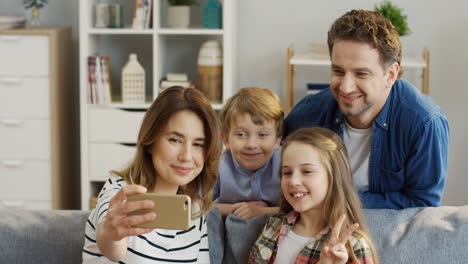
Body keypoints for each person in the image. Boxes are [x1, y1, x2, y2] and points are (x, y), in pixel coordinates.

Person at [284, 9, 449, 209]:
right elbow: (276, 178)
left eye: (361, 74)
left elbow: (423, 204)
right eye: (338, 71)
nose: (346, 87)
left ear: (390, 75)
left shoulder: (424, 122)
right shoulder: (307, 115)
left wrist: (338, 201)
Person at [82, 87, 221, 263]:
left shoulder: (194, 212)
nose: (186, 156)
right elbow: (111, 246)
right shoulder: (118, 191)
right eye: (174, 140)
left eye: (198, 144)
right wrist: (110, 233)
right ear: (150, 141)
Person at [249, 127, 378, 264]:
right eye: (287, 172)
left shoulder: (353, 246)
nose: (293, 181)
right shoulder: (274, 225)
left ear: (334, 177)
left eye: (307, 171)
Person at [212, 87, 283, 219]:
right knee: (212, 217)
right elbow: (195, 205)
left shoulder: (286, 164)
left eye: (262, 134)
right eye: (241, 134)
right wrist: (233, 209)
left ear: (277, 140)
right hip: (229, 228)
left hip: (275, 230)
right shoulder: (218, 166)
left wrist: (260, 212)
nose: (251, 145)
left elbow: (299, 209)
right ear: (226, 140)